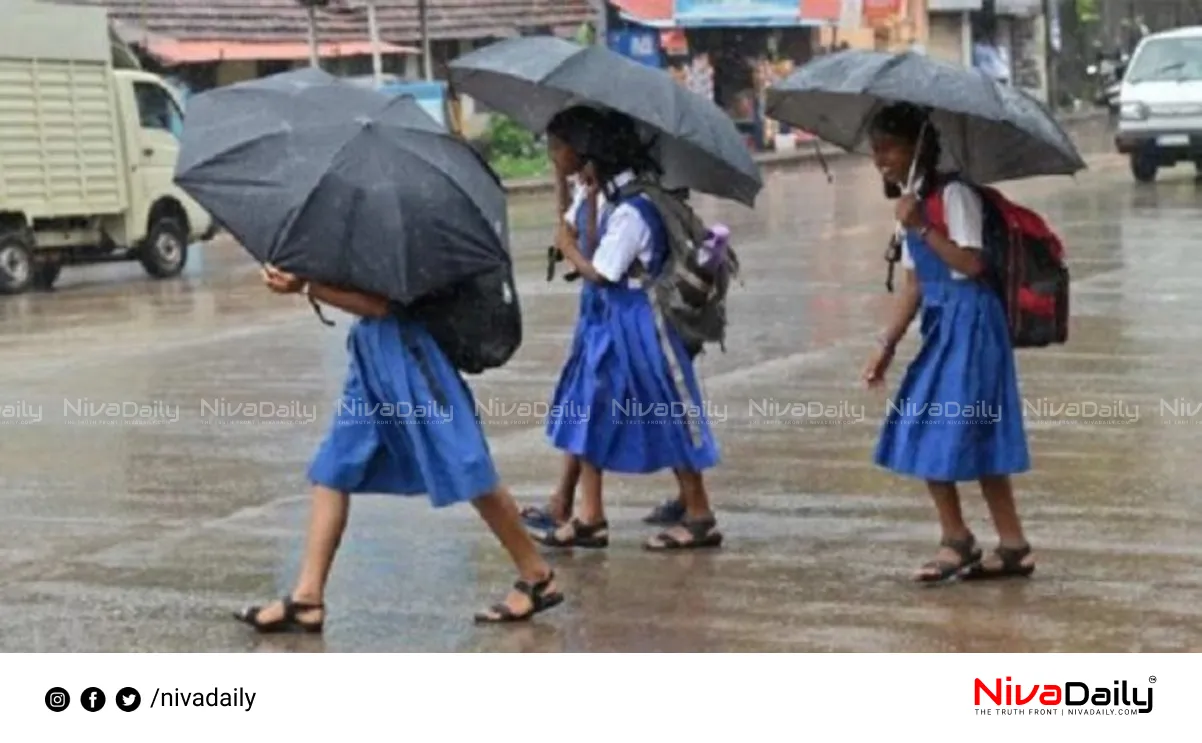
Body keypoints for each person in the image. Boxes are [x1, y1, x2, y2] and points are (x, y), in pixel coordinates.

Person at [234, 266, 564, 631]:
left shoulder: (402, 226)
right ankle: (307, 597)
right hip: (371, 354)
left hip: (411, 355)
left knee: (467, 464)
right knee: (332, 468)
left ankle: (537, 576)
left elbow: (379, 304)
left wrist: (307, 286)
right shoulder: (368, 222)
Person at [534, 106, 722, 551]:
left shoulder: (634, 210)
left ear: (584, 152)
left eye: (558, 148)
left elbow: (603, 272)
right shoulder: (610, 199)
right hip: (614, 320)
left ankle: (699, 514)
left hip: (640, 322)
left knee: (667, 411)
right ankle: (590, 515)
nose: (553, 155)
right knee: (590, 407)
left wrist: (569, 250)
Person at [861, 102, 1035, 583]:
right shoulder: (912, 202)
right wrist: (886, 345)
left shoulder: (953, 195)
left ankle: (975, 542)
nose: (881, 161)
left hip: (974, 323)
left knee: (962, 429)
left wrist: (922, 225)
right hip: (942, 325)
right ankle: (979, 539)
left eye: (888, 149)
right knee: (924, 424)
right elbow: (915, 286)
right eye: (875, 152)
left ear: (917, 146)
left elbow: (971, 265)